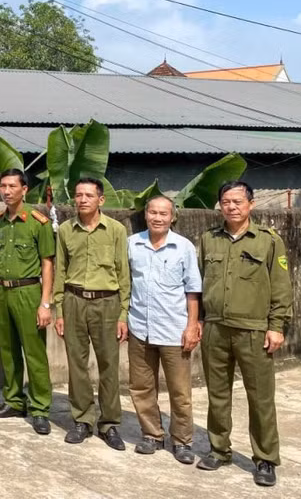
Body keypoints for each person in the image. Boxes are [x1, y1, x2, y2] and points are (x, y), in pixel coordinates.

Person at [196, 181, 292, 487]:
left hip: (253, 331)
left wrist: (276, 326)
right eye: (226, 201)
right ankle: (218, 450)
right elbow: (198, 284)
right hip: (216, 328)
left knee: (260, 398)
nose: (231, 207)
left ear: (251, 204)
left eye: (237, 201)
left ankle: (265, 459)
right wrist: (198, 320)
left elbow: (281, 287)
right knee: (217, 394)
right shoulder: (209, 239)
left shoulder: (268, 240)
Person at [53, 177, 130, 449]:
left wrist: (123, 315)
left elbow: (123, 273)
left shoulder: (116, 230)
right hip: (74, 301)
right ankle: (82, 420)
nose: (83, 199)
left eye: (88, 195)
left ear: (101, 200)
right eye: (78, 195)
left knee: (109, 364)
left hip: (107, 303)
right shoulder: (65, 230)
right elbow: (60, 270)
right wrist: (59, 310)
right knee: (77, 364)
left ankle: (109, 424)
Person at [127, 195, 201, 464]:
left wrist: (192, 326)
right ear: (146, 215)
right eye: (153, 212)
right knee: (141, 386)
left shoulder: (183, 247)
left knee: (180, 391)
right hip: (139, 327)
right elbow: (125, 284)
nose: (158, 218)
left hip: (173, 329)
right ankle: (152, 434)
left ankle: (182, 441)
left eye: (163, 213)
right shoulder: (132, 244)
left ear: (172, 217)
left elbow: (193, 290)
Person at [0, 169, 55, 435]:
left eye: (12, 186)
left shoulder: (38, 223)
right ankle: (14, 401)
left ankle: (40, 409)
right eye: (3, 186)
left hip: (28, 292)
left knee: (34, 352)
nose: (6, 191)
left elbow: (47, 264)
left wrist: (45, 304)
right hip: (2, 291)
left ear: (24, 189)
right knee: (8, 349)